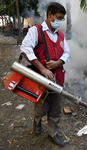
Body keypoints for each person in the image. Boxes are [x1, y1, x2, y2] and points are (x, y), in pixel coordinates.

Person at [20, 2, 70, 147]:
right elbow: (25, 48)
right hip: (40, 79)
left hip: (58, 79)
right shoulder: (36, 30)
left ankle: (52, 133)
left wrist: (58, 62)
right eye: (59, 17)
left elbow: (66, 52)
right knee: (41, 107)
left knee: (55, 108)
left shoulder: (60, 35)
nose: (60, 21)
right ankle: (37, 121)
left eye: (62, 18)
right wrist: (43, 69)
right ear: (50, 15)